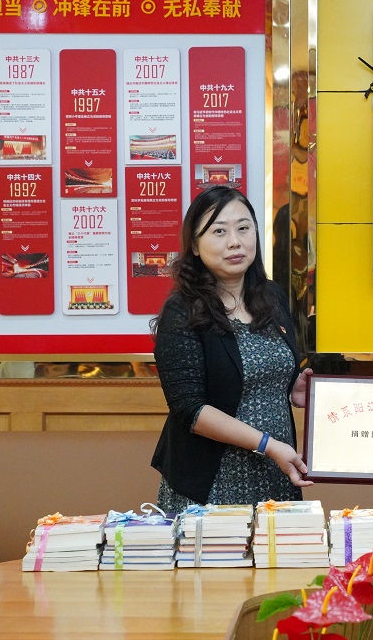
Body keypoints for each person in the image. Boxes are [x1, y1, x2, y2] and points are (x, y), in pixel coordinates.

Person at [151, 184, 313, 512]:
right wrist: (267, 445)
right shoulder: (182, 311)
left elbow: (255, 378)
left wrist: (289, 388)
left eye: (243, 228)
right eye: (219, 231)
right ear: (194, 245)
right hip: (212, 481)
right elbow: (191, 411)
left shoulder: (271, 296)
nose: (235, 242)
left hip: (276, 472)